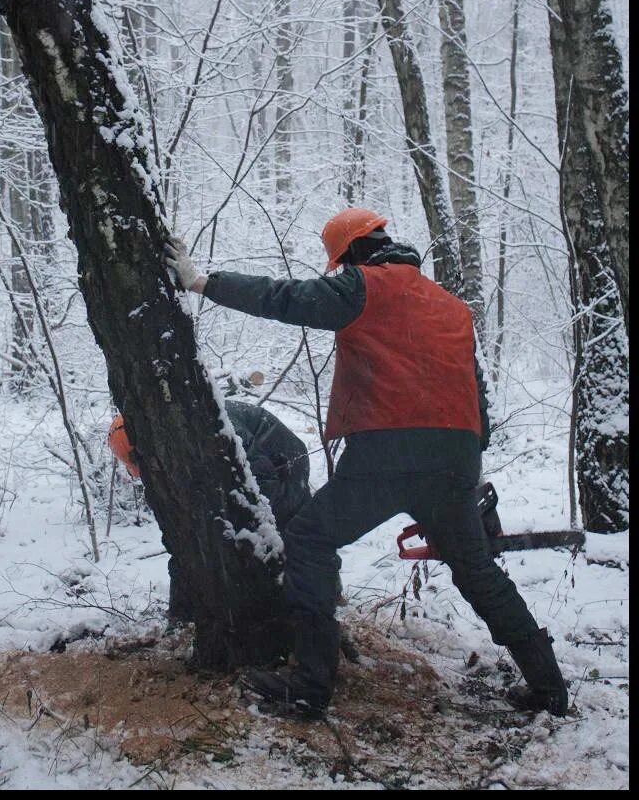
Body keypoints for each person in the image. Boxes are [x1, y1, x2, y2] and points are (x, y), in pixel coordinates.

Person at [165, 208, 569, 718]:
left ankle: (309, 683)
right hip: (457, 455)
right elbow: (476, 398)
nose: (338, 273)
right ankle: (549, 687)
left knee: (310, 537)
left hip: (387, 452)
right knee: (477, 571)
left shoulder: (363, 286)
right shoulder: (452, 308)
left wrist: (201, 282)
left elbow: (284, 298)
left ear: (352, 253)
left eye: (340, 264)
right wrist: (467, 469)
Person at [108, 398, 311, 620]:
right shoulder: (173, 448)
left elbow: (261, 481)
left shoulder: (212, 429)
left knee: (285, 533)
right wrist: (179, 615)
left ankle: (308, 603)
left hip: (283, 459)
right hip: (246, 469)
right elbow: (183, 544)